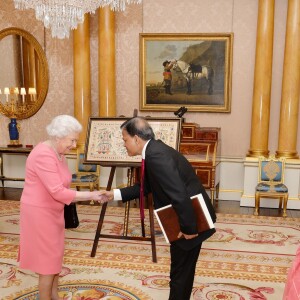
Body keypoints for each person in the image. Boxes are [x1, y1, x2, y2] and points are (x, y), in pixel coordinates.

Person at [100, 116, 216, 300]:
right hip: (187, 216)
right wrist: (113, 194)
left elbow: (178, 194)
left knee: (179, 275)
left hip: (188, 219)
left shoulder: (156, 156)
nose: (124, 144)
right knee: (182, 273)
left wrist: (188, 229)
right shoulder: (154, 150)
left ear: (136, 138)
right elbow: (144, 187)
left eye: (124, 140)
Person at [18, 115, 105, 300]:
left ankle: (55, 296)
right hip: (39, 213)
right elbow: (58, 191)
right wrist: (92, 194)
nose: (74, 145)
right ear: (59, 137)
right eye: (72, 140)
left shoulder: (59, 153)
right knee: (47, 264)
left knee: (54, 258)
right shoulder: (43, 154)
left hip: (53, 211)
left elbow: (63, 185)